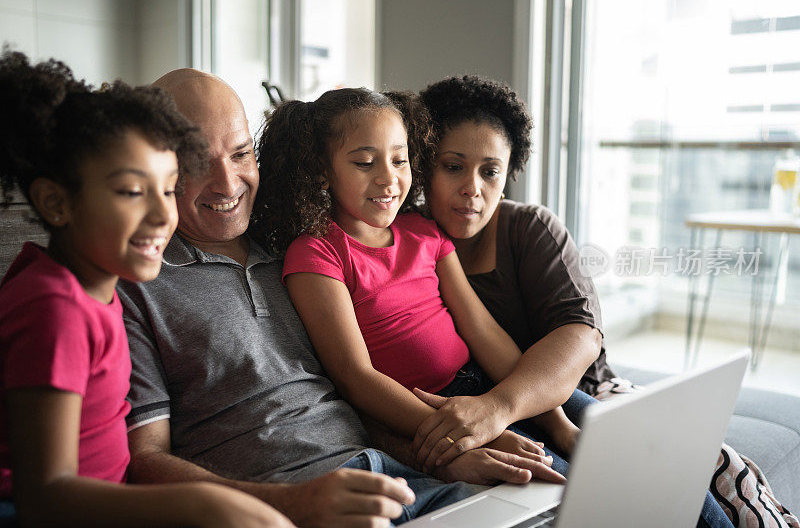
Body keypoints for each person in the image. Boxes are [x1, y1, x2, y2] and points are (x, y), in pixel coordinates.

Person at [118, 69, 558, 528]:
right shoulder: (138, 286)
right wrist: (290, 505)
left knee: (551, 506)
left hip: (391, 473)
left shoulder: (292, 242)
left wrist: (443, 456)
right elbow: (145, 461)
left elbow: (350, 390)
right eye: (194, 161)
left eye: (240, 154)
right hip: (281, 504)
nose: (228, 184)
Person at [418, 74, 734, 528]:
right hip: (484, 405)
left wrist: (500, 407)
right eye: (453, 166)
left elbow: (580, 335)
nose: (473, 188)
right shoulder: (408, 244)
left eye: (490, 171)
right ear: (426, 166)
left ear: (507, 178)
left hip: (582, 392)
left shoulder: (528, 229)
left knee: (705, 466)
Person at [0, 51, 292, 527]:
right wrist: (205, 504)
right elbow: (44, 497)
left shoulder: (96, 291)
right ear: (55, 202)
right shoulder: (52, 309)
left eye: (168, 187)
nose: (163, 216)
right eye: (133, 192)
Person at [253, 86, 578, 477]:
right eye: (365, 163)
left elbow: (481, 330)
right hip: (420, 414)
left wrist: (558, 424)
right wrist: (472, 435)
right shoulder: (316, 254)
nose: (388, 179)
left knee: (611, 442)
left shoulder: (424, 232)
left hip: (491, 389)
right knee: (554, 485)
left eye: (399, 160)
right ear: (322, 170)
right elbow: (356, 379)